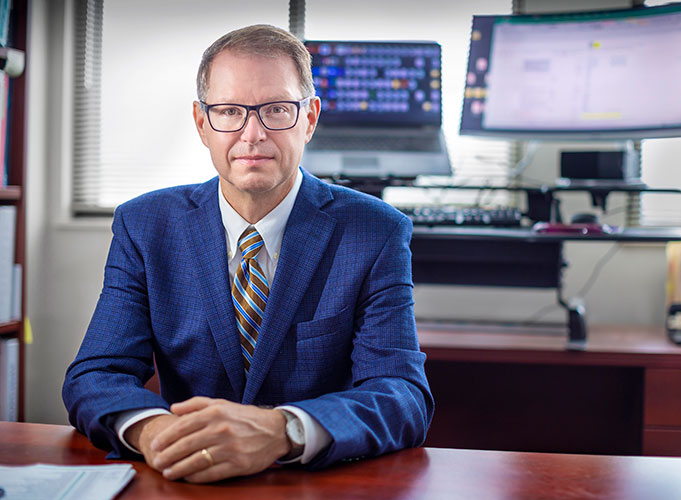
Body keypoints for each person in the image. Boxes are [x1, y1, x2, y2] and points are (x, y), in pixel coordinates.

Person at [62, 24, 433, 484]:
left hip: (314, 484)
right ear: (202, 123)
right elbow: (97, 373)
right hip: (183, 477)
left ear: (310, 119)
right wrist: (154, 431)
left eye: (277, 109)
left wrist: (283, 430)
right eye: (230, 111)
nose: (252, 133)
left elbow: (401, 394)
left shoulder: (375, 231)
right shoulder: (145, 225)